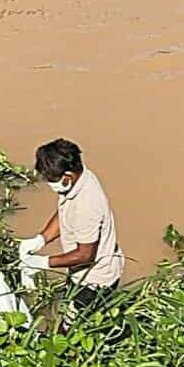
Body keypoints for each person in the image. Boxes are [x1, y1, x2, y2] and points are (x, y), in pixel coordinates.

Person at [18, 138, 124, 323]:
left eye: (51, 180)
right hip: (80, 272)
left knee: (72, 326)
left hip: (94, 281)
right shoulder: (81, 179)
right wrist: (41, 239)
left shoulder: (87, 205)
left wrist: (42, 262)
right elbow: (65, 212)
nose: (50, 184)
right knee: (66, 314)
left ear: (67, 176)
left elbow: (85, 255)